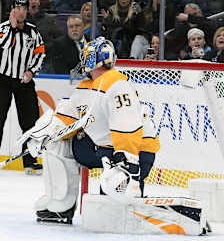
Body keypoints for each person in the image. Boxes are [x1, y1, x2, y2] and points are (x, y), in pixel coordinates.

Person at [22, 37, 159, 224]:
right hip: (105, 149)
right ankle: (60, 205)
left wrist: (127, 163)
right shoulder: (88, 84)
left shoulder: (117, 85)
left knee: (114, 213)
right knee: (56, 145)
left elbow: (127, 126)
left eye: (86, 57)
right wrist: (45, 135)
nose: (83, 62)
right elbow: (69, 116)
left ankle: (134, 202)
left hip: (133, 153)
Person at [0, 0, 45, 175]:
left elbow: (40, 54)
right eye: (17, 8)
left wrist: (31, 71)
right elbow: (3, 45)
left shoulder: (33, 32)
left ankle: (29, 159)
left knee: (30, 122)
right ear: (12, 10)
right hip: (2, 80)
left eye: (24, 8)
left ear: (27, 11)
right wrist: (11, 28)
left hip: (24, 81)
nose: (21, 12)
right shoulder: (2, 29)